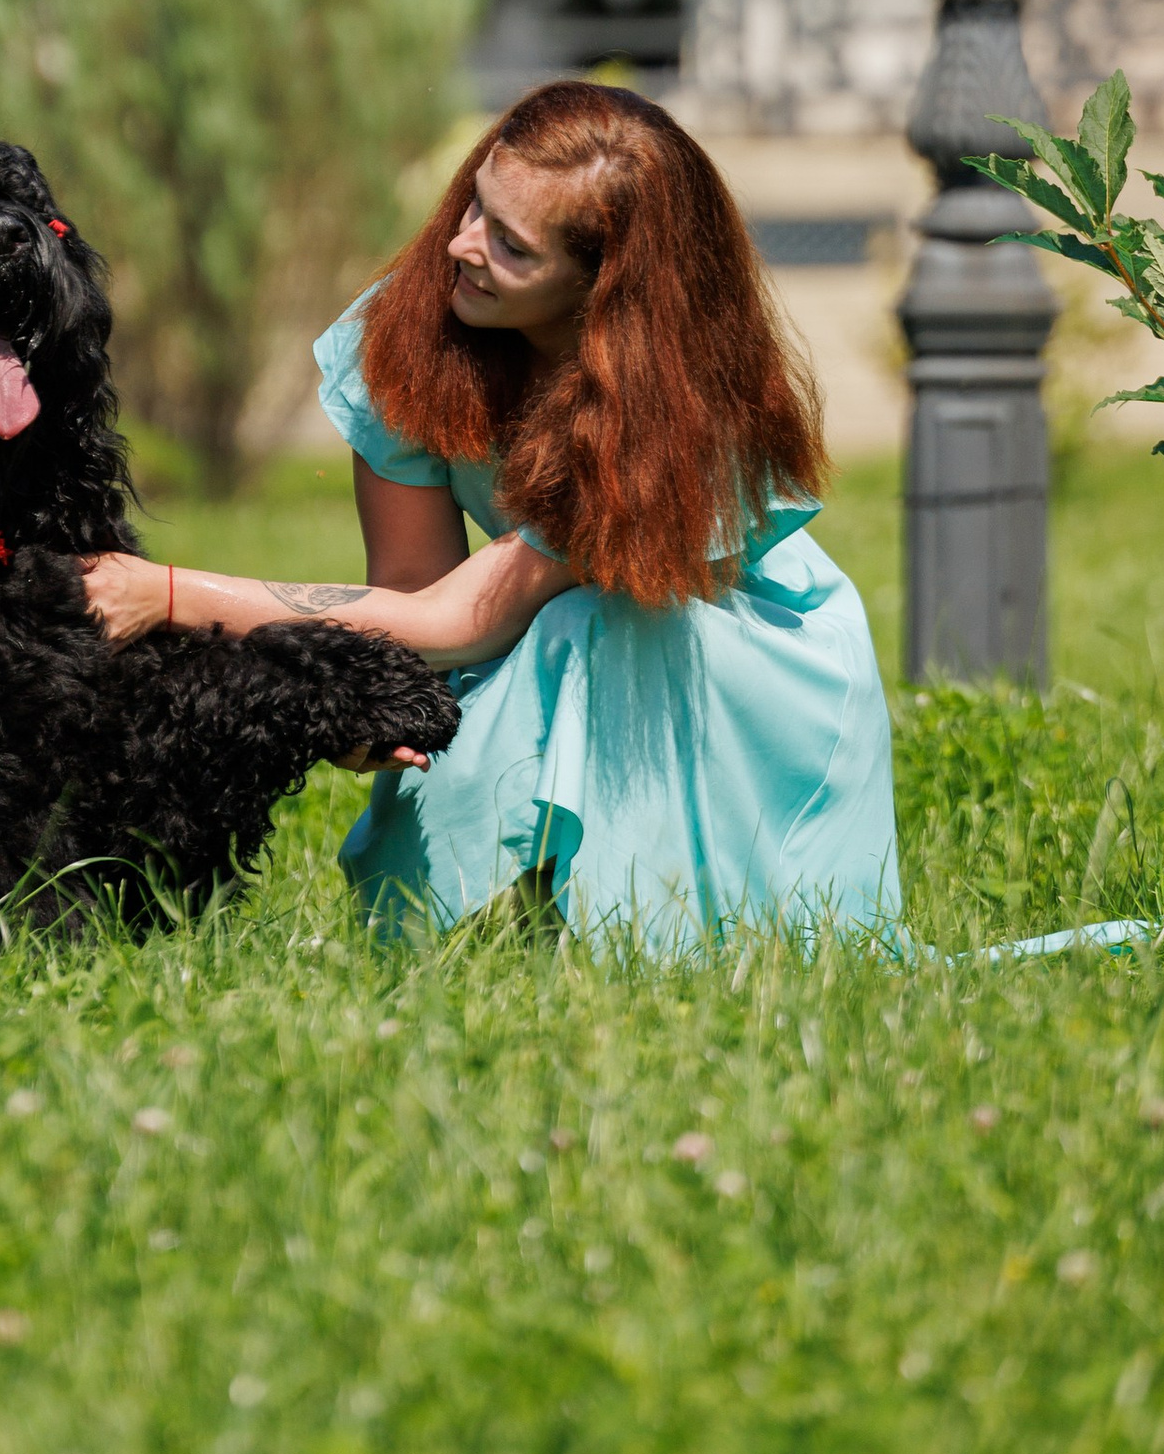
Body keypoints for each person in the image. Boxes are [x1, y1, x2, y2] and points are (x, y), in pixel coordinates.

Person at [81, 80, 899, 948]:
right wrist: (369, 699)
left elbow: (460, 621)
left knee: (589, 621)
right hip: (545, 633)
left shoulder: (666, 415)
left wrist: (165, 592)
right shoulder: (411, 335)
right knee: (561, 640)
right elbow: (412, 601)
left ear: (604, 290)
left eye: (511, 244)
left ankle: (633, 929)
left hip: (736, 670)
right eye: (475, 202)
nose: (463, 245)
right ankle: (519, 925)